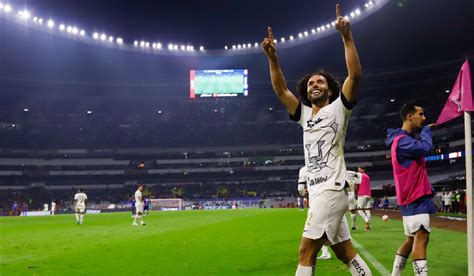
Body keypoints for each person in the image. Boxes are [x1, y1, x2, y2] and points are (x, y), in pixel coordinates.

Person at [262, 4, 370, 275]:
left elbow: (355, 74)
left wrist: (346, 37)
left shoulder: (340, 108)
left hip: (332, 189)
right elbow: (279, 89)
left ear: (330, 89)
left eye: (320, 82)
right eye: (310, 84)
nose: (314, 85)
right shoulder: (304, 115)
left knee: (306, 251)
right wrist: (273, 57)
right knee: (346, 252)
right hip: (317, 190)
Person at [386, 103, 436, 276]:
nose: (424, 118)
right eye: (420, 114)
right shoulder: (403, 141)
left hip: (410, 197)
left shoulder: (400, 140)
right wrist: (426, 132)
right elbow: (426, 148)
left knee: (411, 239)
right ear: (409, 116)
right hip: (415, 198)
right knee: (421, 238)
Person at [298, 166, 332, 260]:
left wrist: (305, 195)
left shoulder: (304, 170)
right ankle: (325, 251)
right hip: (332, 200)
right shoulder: (327, 166)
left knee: (317, 229)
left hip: (316, 204)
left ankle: (325, 252)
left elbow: (301, 189)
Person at [355, 166, 372, 231]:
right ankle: (368, 226)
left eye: (359, 169)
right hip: (368, 194)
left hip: (362, 194)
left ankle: (367, 220)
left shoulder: (360, 175)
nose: (358, 170)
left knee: (359, 209)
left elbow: (353, 174)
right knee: (367, 210)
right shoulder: (367, 176)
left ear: (363, 170)